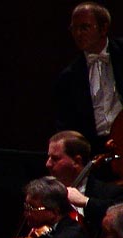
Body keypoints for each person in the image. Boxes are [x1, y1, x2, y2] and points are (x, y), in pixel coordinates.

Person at [55, 2, 123, 155]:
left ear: (103, 28)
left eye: (84, 27)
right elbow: (66, 125)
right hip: (96, 150)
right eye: (74, 29)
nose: (78, 34)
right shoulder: (68, 77)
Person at [45, 130, 123, 238]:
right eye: (49, 157)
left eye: (55, 158)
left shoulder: (111, 192)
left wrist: (86, 202)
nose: (48, 164)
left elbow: (118, 218)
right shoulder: (48, 192)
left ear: (77, 161)